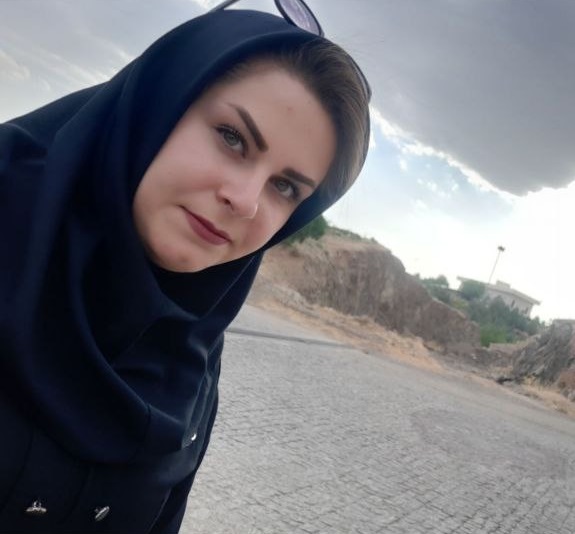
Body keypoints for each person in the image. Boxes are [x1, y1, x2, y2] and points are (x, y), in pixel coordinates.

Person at [0, 3, 370, 533]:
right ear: (159, 104)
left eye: (285, 187)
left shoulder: (192, 356)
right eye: (232, 137)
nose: (246, 201)